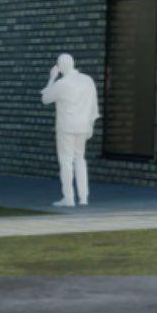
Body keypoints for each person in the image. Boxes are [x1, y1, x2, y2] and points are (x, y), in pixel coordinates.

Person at [41, 53, 99, 207]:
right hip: (83, 126)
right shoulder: (88, 80)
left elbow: (45, 98)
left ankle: (69, 198)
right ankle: (84, 197)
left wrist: (52, 78)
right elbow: (94, 106)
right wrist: (91, 125)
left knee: (66, 162)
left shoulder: (62, 83)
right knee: (80, 159)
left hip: (66, 127)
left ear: (59, 67)